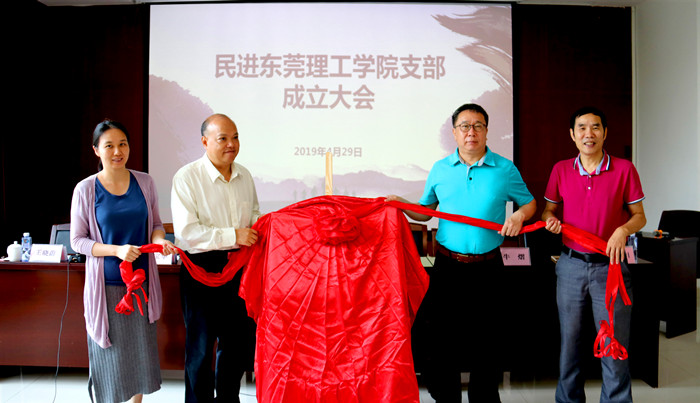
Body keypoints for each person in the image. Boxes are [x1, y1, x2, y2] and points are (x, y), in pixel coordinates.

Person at [388, 103, 536, 402]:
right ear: (454, 133)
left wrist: (519, 216)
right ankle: (447, 397)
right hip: (448, 266)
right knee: (443, 340)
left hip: (489, 266)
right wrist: (399, 203)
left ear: (486, 131)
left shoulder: (505, 169)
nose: (471, 132)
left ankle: (484, 398)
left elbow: (529, 203)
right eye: (465, 126)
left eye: (478, 125)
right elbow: (426, 212)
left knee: (488, 340)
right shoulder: (440, 169)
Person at [542, 106, 646, 403]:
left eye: (596, 127)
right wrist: (550, 220)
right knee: (570, 344)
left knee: (614, 343)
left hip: (611, 268)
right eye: (582, 128)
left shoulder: (624, 169)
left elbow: (639, 216)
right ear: (572, 135)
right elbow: (549, 210)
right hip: (571, 266)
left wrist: (623, 230)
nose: (589, 134)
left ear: (605, 133)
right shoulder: (561, 169)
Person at [70, 119, 176, 403]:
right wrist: (116, 250)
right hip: (106, 289)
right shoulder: (85, 189)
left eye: (123, 144)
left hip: (141, 286)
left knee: (139, 357)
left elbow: (156, 224)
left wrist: (160, 240)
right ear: (96, 150)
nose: (117, 151)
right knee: (112, 360)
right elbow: (77, 241)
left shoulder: (145, 182)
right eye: (109, 146)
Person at [171, 113, 261, 403]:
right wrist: (234, 235)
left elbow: (254, 215)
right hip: (201, 268)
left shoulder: (244, 175)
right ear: (205, 141)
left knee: (234, 345)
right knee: (200, 348)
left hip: (238, 268)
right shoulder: (187, 177)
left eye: (235, 137)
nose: (231, 144)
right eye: (223, 138)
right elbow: (187, 233)